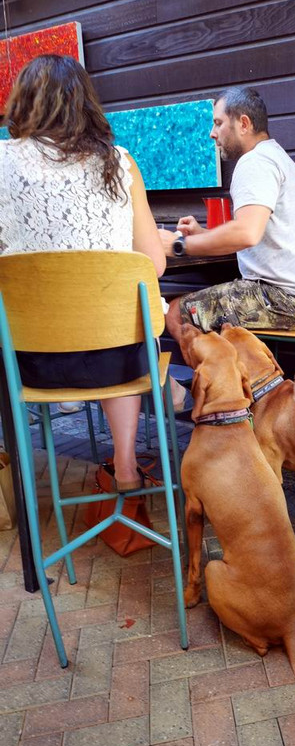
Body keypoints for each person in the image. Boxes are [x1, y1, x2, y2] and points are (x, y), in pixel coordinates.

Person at [0, 54, 166, 490]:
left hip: (27, 360)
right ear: (85, 103)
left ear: (23, 102)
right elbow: (154, 264)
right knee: (123, 326)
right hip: (117, 358)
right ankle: (125, 468)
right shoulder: (119, 162)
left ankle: (23, 483)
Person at [159, 86, 295, 343]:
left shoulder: (254, 162)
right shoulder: (274, 156)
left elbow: (246, 233)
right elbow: (253, 232)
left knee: (174, 313)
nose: (212, 133)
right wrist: (204, 234)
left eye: (218, 123)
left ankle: (218, 371)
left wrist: (178, 245)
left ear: (244, 124)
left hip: (281, 300)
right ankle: (233, 368)